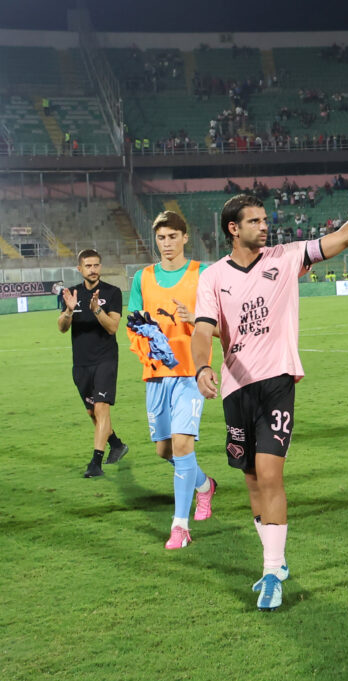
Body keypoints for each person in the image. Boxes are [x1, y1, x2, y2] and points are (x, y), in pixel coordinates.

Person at [191, 153, 348, 610]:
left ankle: (271, 573)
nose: (265, 226)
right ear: (232, 229)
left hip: (277, 380)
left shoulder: (286, 256)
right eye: (254, 221)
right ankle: (274, 561)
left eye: (265, 219)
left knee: (270, 473)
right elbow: (202, 330)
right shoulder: (213, 276)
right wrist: (202, 367)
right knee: (251, 481)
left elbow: (343, 236)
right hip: (235, 388)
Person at [126, 210, 216, 550]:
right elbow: (134, 324)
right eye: (161, 238)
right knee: (166, 451)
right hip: (156, 375)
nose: (166, 244)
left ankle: (180, 526)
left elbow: (217, 322)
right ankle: (205, 486)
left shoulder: (202, 274)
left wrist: (194, 319)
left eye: (172, 237)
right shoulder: (143, 278)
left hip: (190, 373)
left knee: (182, 445)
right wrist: (147, 345)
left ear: (185, 237)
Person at [58, 249, 128, 478]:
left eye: (96, 265)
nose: (93, 269)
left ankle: (95, 462)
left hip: (105, 360)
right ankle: (116, 444)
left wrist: (97, 309)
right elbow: (62, 327)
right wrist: (69, 310)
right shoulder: (71, 294)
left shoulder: (112, 292)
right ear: (80, 269)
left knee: (101, 407)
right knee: (92, 413)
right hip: (80, 364)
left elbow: (112, 327)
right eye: (88, 266)